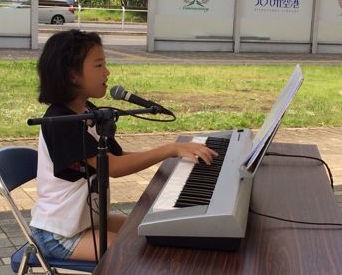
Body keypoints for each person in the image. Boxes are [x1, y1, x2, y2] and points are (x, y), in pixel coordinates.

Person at [30, 29, 218, 262]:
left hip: (89, 221)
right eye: (99, 66)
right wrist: (170, 149)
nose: (107, 72)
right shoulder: (60, 121)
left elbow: (117, 156)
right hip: (59, 234)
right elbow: (114, 167)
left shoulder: (88, 111)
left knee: (153, 231)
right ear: (72, 75)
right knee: (136, 255)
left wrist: (170, 155)